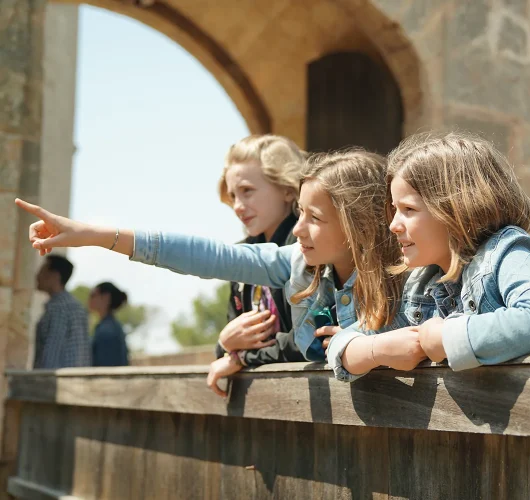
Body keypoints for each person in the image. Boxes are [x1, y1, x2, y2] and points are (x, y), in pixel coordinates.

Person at [16, 149, 409, 396]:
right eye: (300, 214)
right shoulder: (298, 264)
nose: (300, 229)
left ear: (358, 224)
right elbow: (211, 257)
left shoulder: (410, 283)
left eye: (315, 218)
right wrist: (94, 235)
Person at [327, 132, 530, 382]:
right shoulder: (421, 285)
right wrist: (376, 349)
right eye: (395, 210)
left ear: (458, 208)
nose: (393, 225)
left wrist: (447, 337)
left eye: (409, 209)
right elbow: (342, 341)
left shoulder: (504, 251)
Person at [214, 135, 305, 366]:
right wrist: (223, 343)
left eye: (247, 190)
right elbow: (228, 347)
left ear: (287, 189)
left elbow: (306, 342)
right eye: (233, 195)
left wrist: (241, 357)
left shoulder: (310, 248)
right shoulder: (240, 255)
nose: (237, 206)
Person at [33, 254, 91, 368]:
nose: (37, 276)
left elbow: (52, 355)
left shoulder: (59, 308)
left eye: (42, 271)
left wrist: (42, 377)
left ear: (55, 276)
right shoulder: (75, 306)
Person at [88, 281, 129, 366]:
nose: (89, 299)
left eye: (93, 295)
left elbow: (106, 366)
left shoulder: (107, 330)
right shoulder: (111, 326)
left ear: (106, 297)